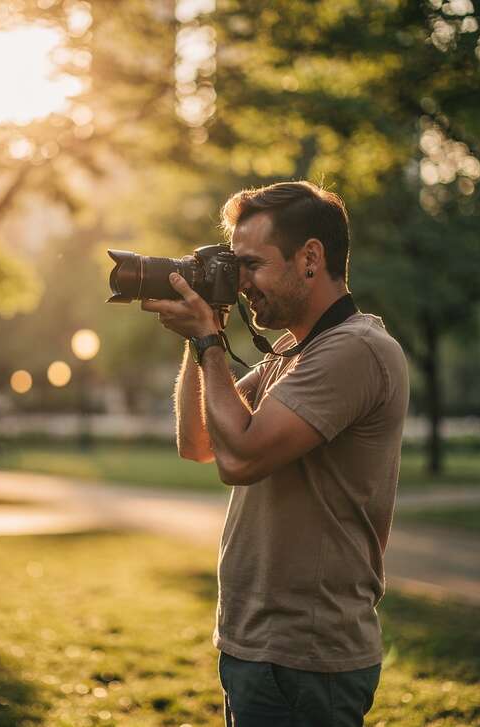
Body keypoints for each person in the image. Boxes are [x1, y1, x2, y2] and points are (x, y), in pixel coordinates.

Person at [141, 181, 409, 726]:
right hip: (259, 646)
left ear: (310, 258)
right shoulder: (291, 354)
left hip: (307, 658)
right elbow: (198, 443)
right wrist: (201, 334)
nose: (242, 284)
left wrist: (212, 342)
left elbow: (240, 459)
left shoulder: (355, 350)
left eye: (252, 265)